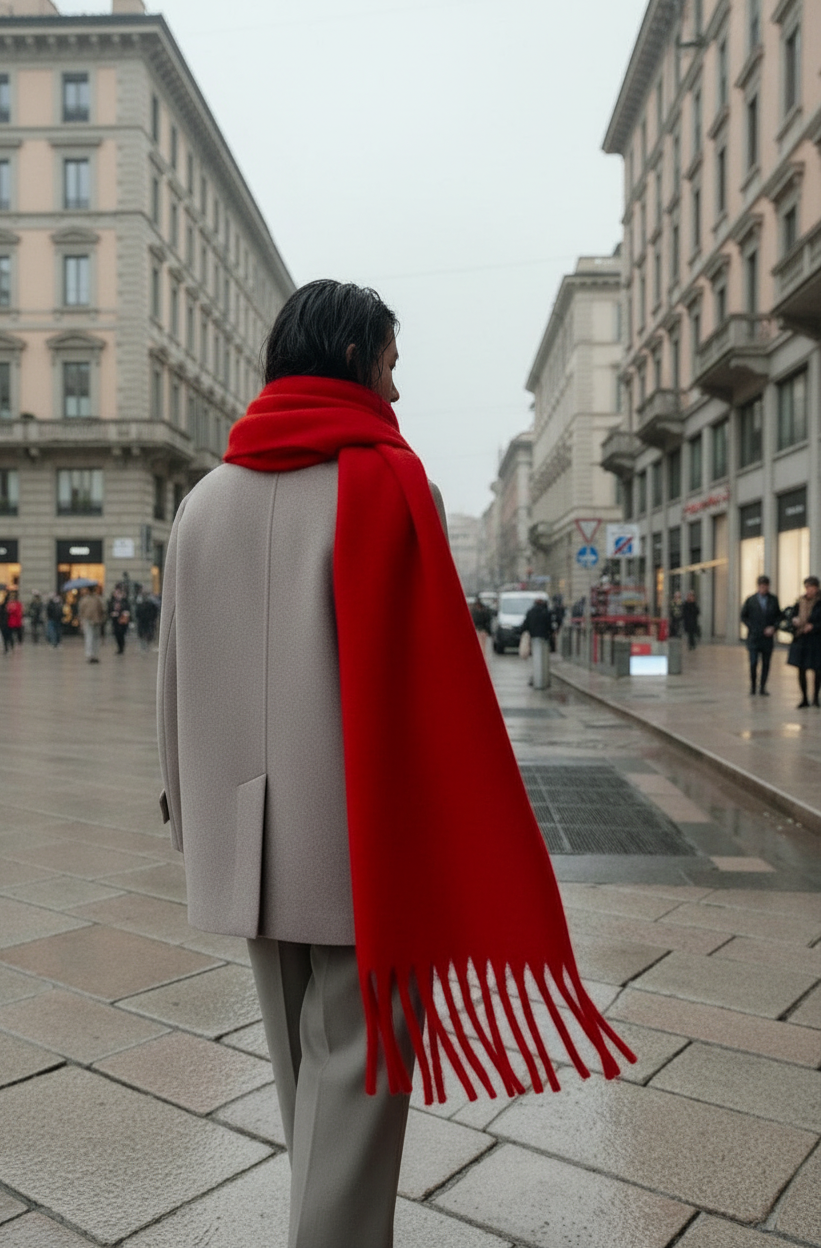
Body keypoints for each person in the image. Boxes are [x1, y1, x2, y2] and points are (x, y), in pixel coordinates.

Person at [156, 280, 633, 1248]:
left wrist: (187, 808)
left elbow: (173, 678)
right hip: (355, 840)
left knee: (314, 1090)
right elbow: (430, 676)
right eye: (390, 365)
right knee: (359, 1083)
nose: (398, 391)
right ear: (352, 359)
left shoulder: (204, 501)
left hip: (238, 842)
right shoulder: (386, 481)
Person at [740, 575, 781, 696]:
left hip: (767, 638)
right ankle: (753, 686)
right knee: (753, 662)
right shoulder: (751, 600)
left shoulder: (773, 600)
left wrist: (774, 627)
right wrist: (752, 627)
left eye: (766, 586)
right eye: (762, 586)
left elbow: (779, 616)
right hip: (754, 637)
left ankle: (762, 686)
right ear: (758, 586)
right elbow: (743, 616)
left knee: (766, 663)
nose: (764, 588)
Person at [787, 576, 821, 709]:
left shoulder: (819, 603)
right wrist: (794, 621)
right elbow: (792, 615)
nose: (809, 590)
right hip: (801, 639)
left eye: (811, 587)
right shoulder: (800, 601)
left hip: (816, 640)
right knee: (801, 669)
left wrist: (814, 626)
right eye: (807, 587)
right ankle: (804, 698)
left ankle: (816, 698)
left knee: (817, 670)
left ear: (816, 588)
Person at [521, 596, 552, 689]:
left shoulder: (530, 612)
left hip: (534, 638)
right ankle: (544, 680)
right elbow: (550, 625)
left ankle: (537, 680)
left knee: (536, 660)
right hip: (545, 638)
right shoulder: (546, 612)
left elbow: (525, 625)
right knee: (544, 660)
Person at [78, 585, 105, 663]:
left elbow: (81, 611)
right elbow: (102, 609)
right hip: (96, 620)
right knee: (96, 638)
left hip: (88, 620)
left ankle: (89, 655)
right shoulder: (98, 599)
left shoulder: (84, 599)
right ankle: (95, 654)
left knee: (89, 638)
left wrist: (81, 620)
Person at [135, 589, 159, 654]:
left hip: (147, 622)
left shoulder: (150, 604)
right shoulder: (141, 604)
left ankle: (146, 646)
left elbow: (154, 612)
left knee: (147, 634)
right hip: (144, 622)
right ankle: (144, 646)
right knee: (144, 634)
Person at [109, 586, 130, 654]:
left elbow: (127, 609)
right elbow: (109, 609)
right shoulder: (112, 601)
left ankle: (121, 647)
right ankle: (119, 647)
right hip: (115, 620)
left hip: (122, 620)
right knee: (117, 634)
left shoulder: (124, 601)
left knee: (121, 634)